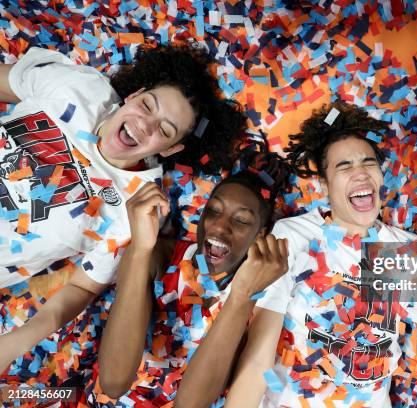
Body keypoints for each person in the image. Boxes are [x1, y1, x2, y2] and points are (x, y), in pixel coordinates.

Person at [0, 44, 246, 374]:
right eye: (147, 105)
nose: (145, 125)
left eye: (164, 129)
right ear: (133, 96)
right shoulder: (79, 89)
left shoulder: (139, 207)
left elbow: (83, 287)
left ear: (171, 149)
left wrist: (15, 342)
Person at [225, 102, 417, 407]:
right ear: (324, 183)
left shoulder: (407, 251)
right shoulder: (293, 236)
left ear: (381, 176)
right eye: (344, 166)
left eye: (368, 162)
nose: (360, 173)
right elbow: (258, 356)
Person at [91, 148, 291, 407]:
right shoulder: (157, 253)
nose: (219, 226)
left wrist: (241, 297)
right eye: (214, 211)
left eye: (241, 220)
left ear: (261, 234)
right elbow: (113, 381)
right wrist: (139, 250)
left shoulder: (263, 295)